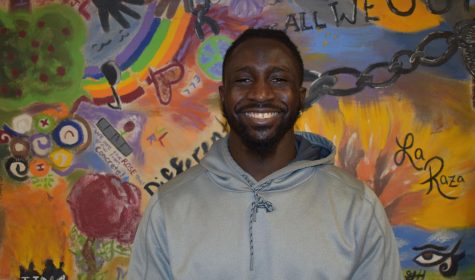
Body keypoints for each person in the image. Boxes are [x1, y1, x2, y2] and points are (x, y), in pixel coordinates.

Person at [128, 28, 402, 279]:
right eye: (244, 79)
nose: (260, 93)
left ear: (301, 96)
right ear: (223, 97)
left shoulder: (356, 208)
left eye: (279, 79)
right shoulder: (169, 208)